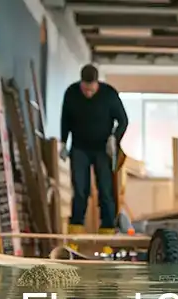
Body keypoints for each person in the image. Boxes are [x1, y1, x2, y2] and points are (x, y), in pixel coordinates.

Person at [59, 64, 129, 236]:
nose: (88, 94)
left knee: (105, 191)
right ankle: (75, 232)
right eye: (85, 90)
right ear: (81, 83)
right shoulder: (71, 93)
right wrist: (62, 142)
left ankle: (107, 233)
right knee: (80, 191)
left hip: (102, 150)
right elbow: (65, 119)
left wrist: (114, 138)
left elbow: (123, 120)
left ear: (97, 84)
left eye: (91, 90)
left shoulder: (109, 94)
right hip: (79, 149)